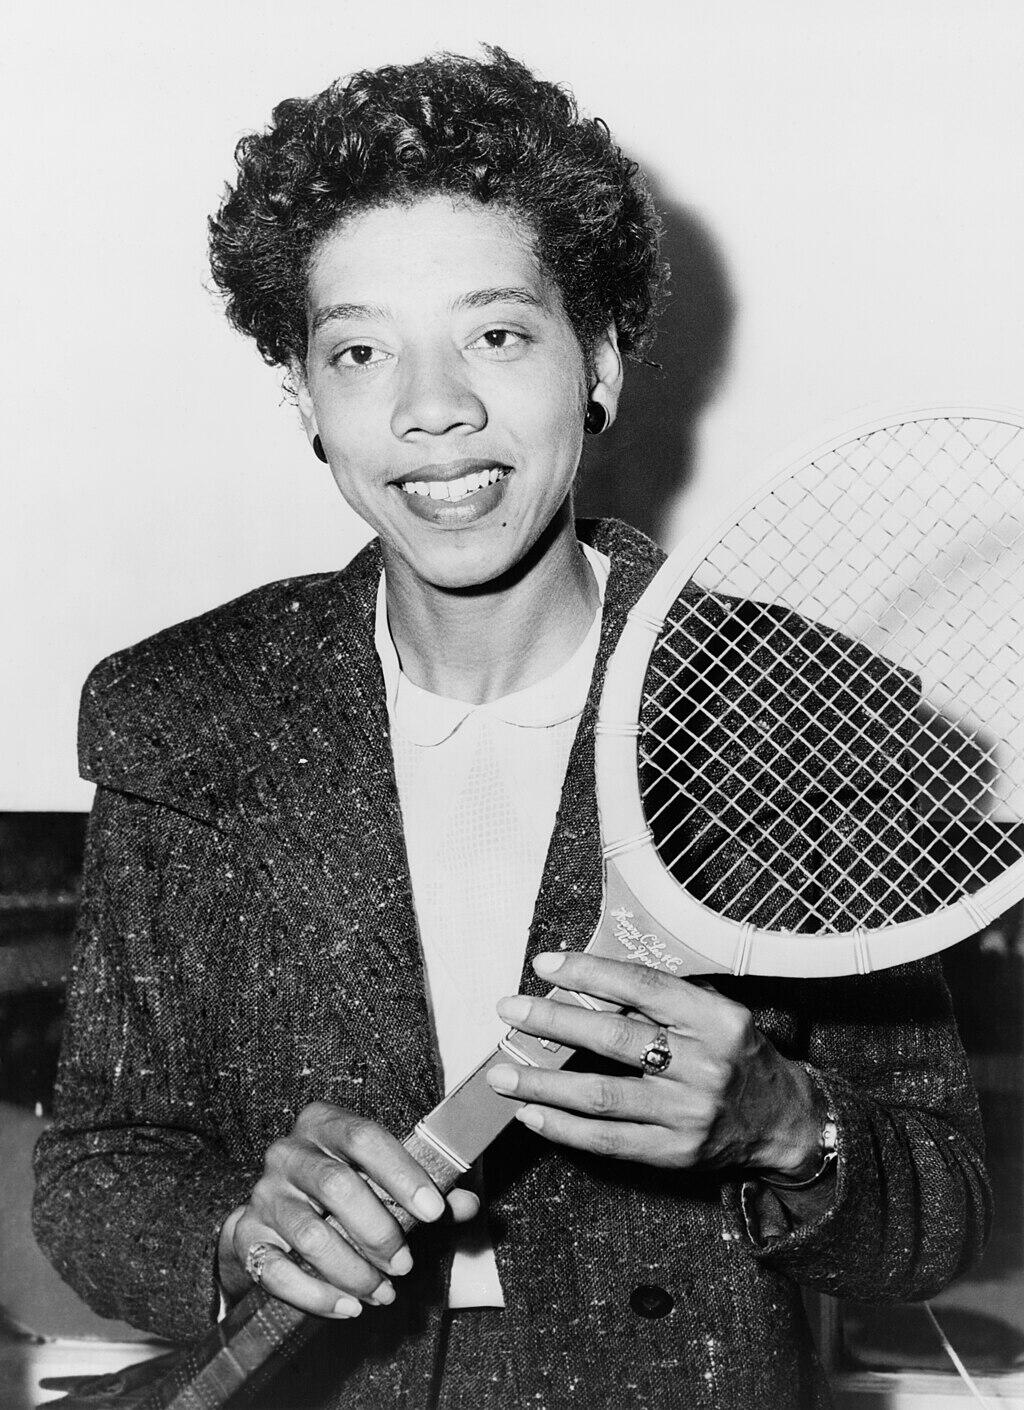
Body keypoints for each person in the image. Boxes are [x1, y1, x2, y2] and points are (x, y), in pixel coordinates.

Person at [33, 48, 989, 1410]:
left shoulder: (786, 707)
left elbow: (941, 1208)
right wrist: (244, 1228)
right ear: (306, 396)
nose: (435, 409)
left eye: (497, 333)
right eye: (361, 349)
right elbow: (100, 1165)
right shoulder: (185, 712)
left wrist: (784, 1123)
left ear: (596, 358)